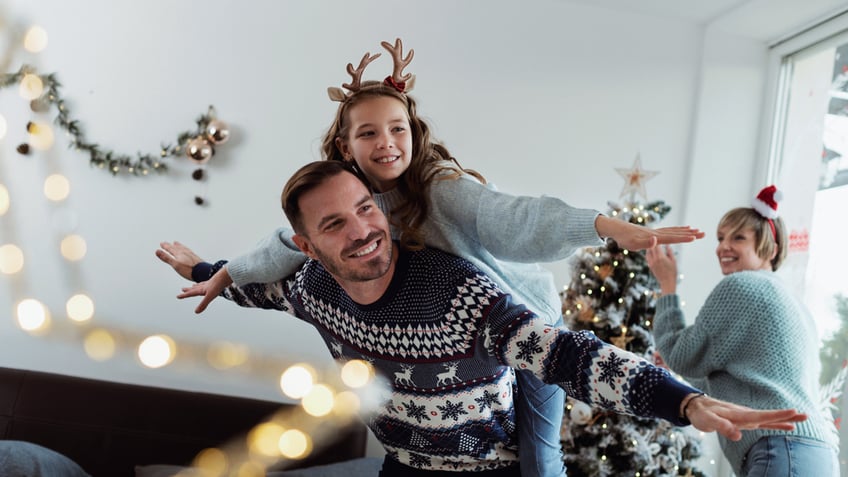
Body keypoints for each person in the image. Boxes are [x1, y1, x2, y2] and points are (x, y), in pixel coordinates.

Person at [171, 39, 705, 477]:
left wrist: (602, 227)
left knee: (540, 459)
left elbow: (512, 217)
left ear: (414, 132)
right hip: (424, 404)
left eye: (397, 128)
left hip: (516, 321)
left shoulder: (441, 189)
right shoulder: (336, 212)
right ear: (346, 146)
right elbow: (281, 252)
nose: (386, 143)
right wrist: (214, 272)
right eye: (368, 133)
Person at [158, 161, 806, 476]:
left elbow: (570, 355)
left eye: (366, 208)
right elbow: (258, 291)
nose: (362, 230)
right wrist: (204, 270)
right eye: (334, 223)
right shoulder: (312, 287)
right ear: (305, 246)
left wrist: (685, 402)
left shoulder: (456, 292)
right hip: (403, 466)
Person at [645, 185, 839, 476]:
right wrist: (682, 371)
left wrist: (667, 285)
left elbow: (680, 354)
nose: (723, 247)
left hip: (782, 449)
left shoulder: (741, 286)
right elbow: (742, 380)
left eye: (738, 238)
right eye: (721, 237)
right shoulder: (793, 302)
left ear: (771, 249)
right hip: (815, 453)